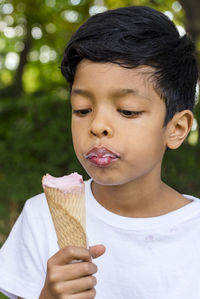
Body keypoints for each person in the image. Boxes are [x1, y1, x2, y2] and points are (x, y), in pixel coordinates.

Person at [0, 5, 199, 299]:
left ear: (177, 128)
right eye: (82, 109)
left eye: (128, 111)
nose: (98, 125)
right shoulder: (40, 217)